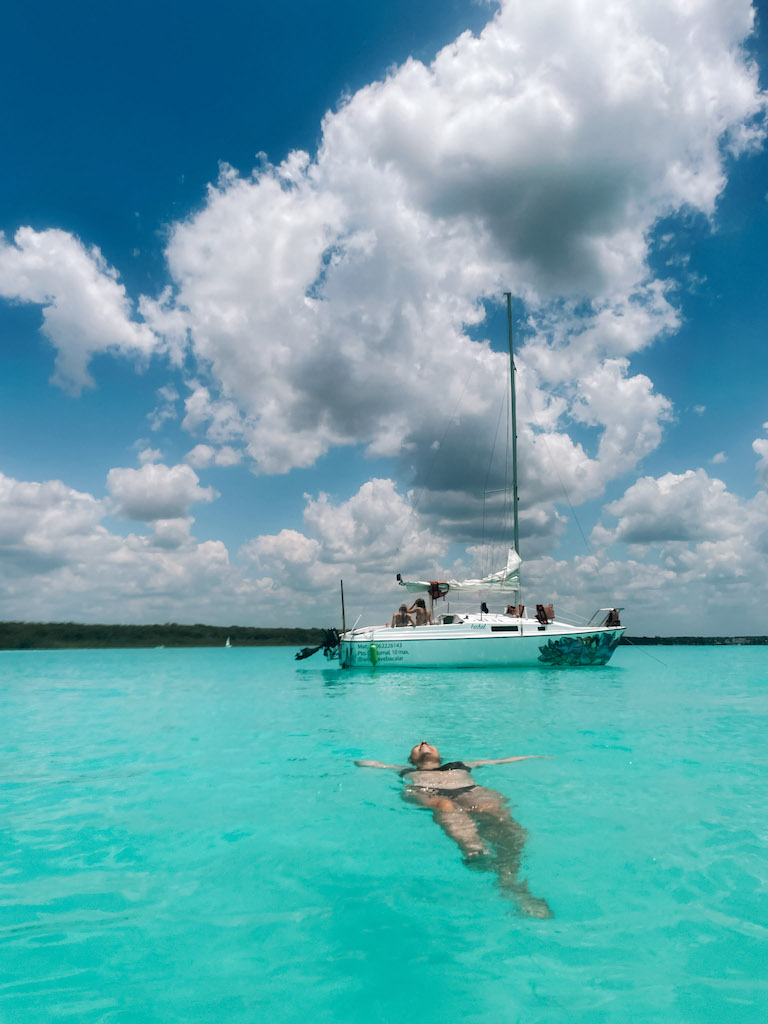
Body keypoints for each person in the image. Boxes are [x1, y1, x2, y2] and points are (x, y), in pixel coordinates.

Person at [355, 740, 553, 918]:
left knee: (492, 808)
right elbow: (372, 764)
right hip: (430, 794)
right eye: (417, 746)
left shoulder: (460, 766)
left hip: (470, 792)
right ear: (412, 759)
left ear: (440, 757)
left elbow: (499, 761)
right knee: (445, 806)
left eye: (428, 743)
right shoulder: (405, 770)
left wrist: (534, 756)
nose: (423, 742)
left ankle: (509, 883)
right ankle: (474, 848)